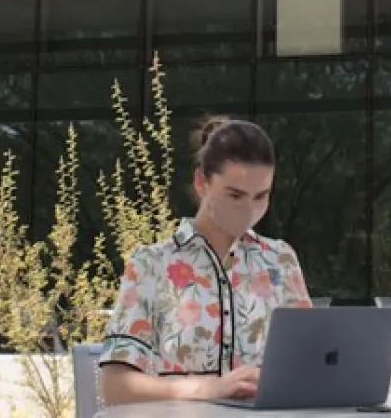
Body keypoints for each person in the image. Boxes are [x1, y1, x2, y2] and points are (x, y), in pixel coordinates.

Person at [98, 115, 312, 406]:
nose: (248, 210)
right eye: (235, 195)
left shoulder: (281, 261)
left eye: (261, 196)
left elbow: (313, 366)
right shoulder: (151, 264)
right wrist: (205, 388)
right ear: (201, 182)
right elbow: (115, 386)